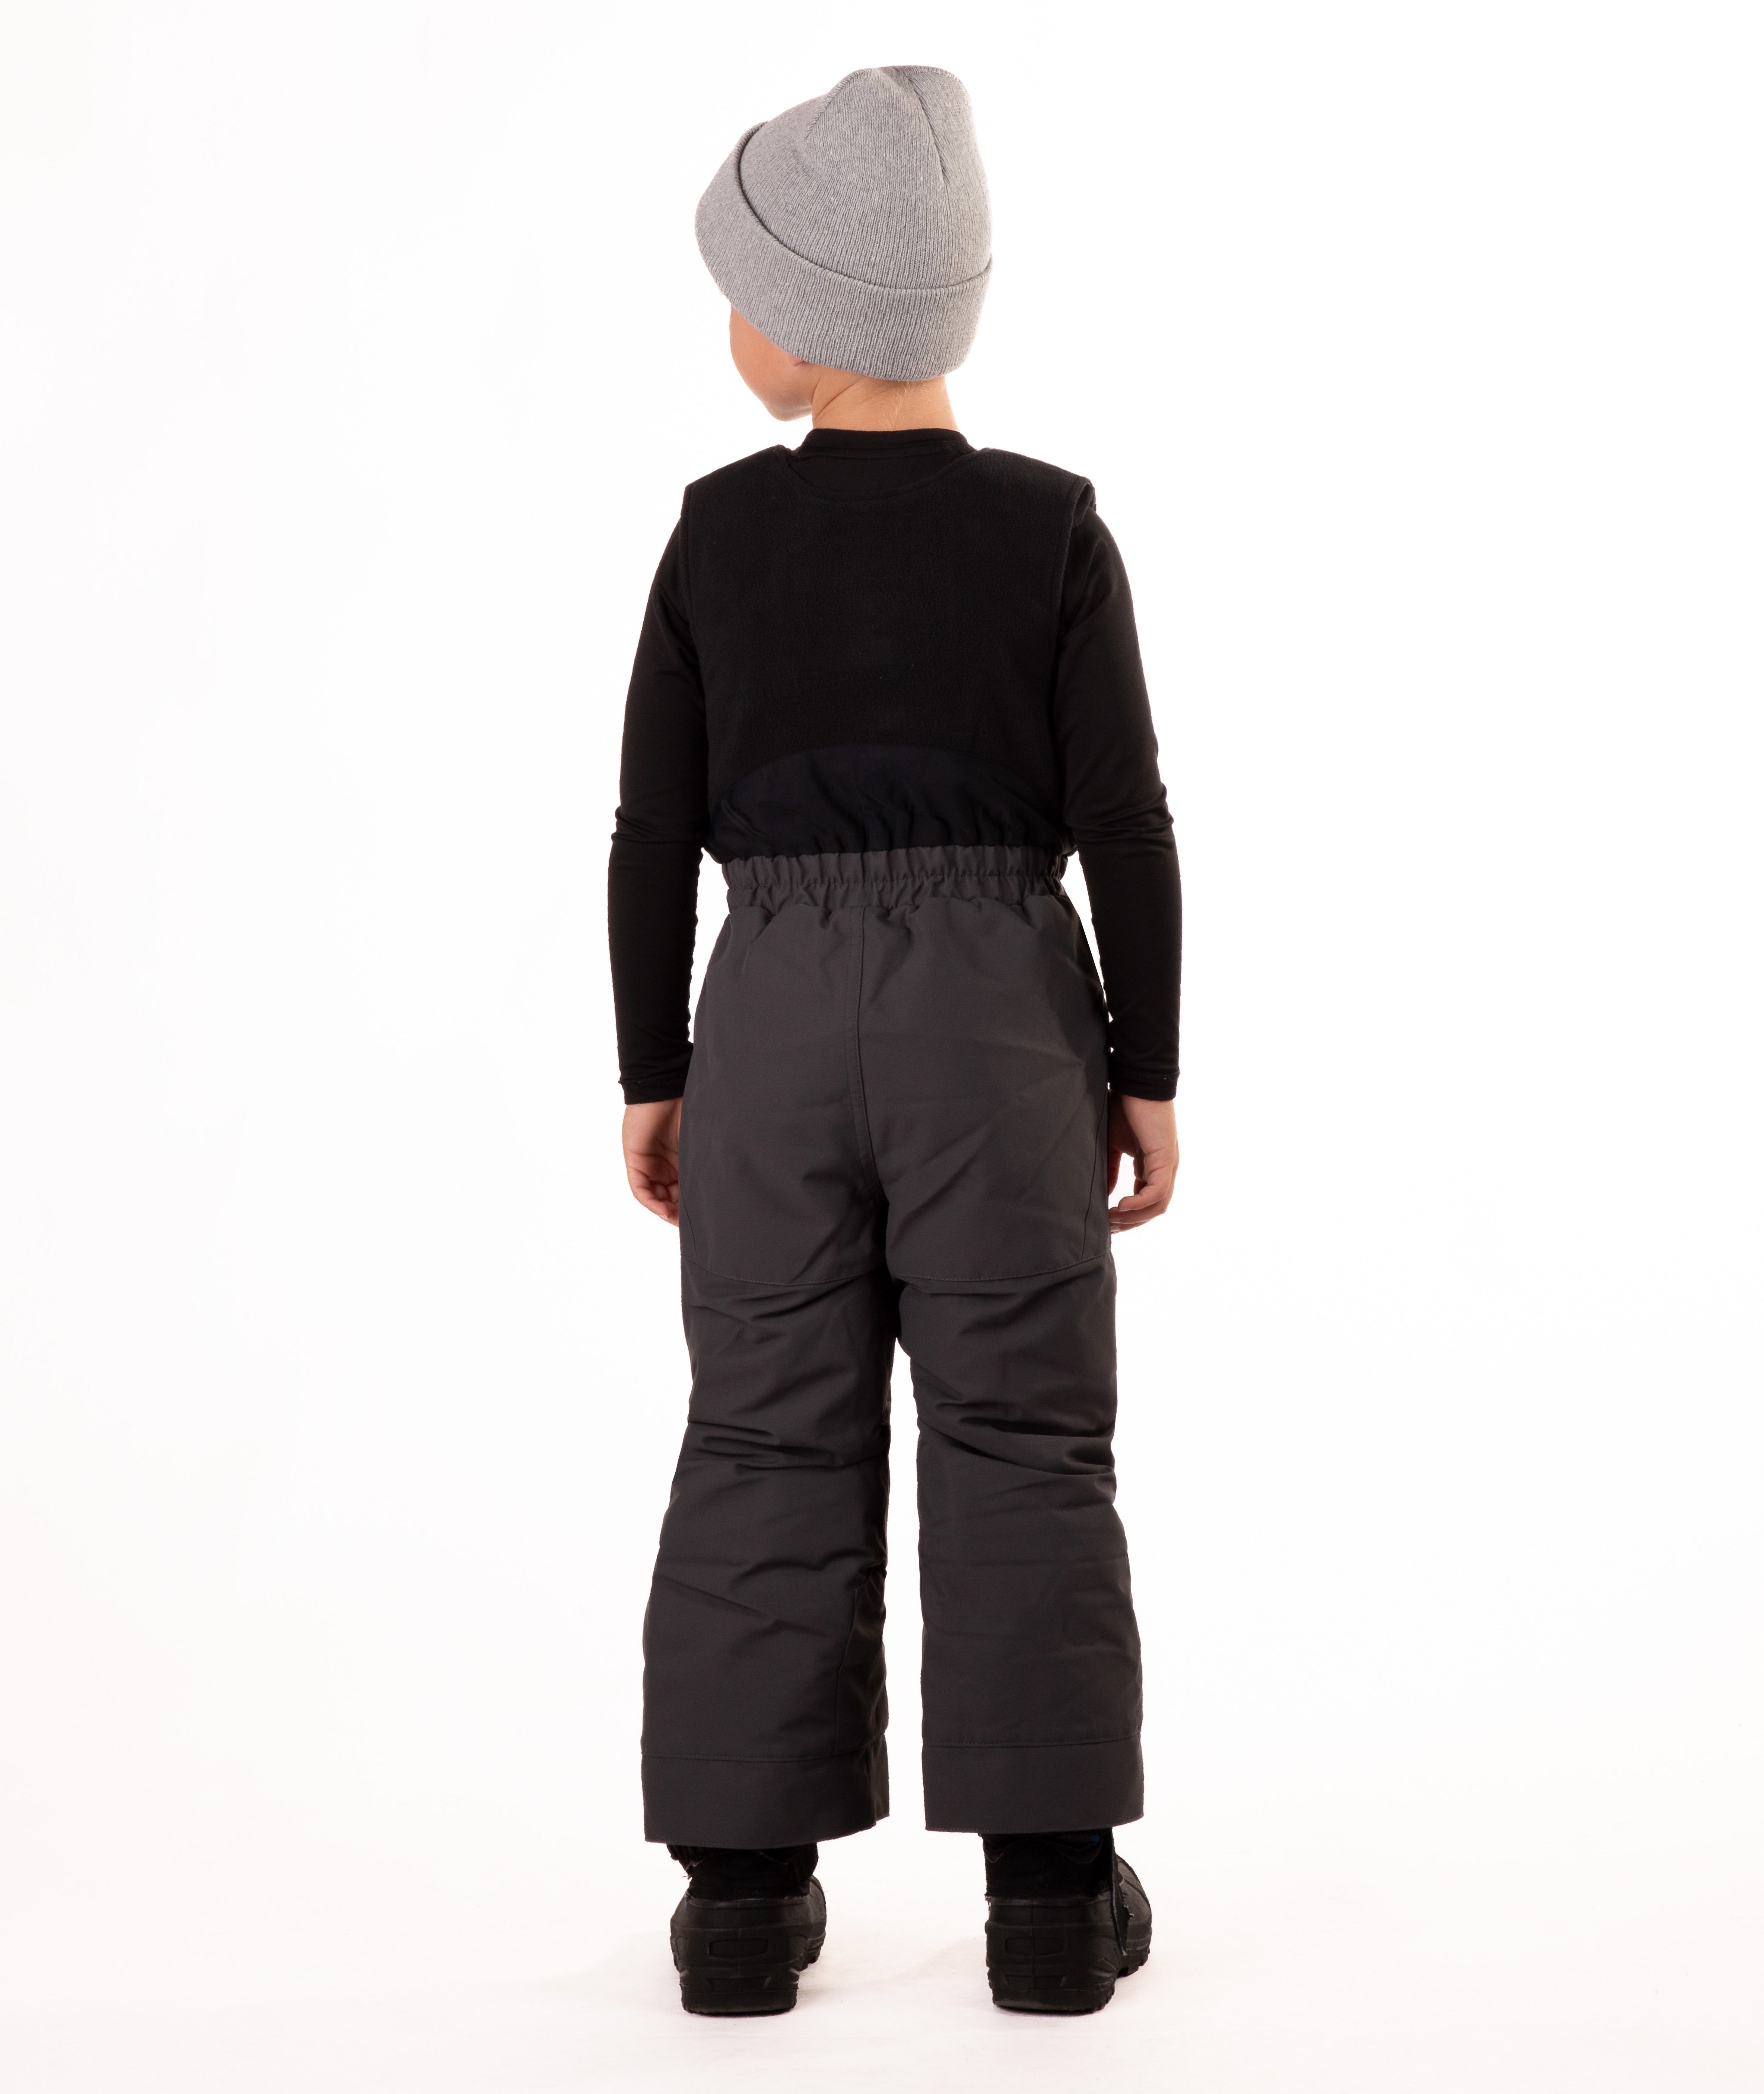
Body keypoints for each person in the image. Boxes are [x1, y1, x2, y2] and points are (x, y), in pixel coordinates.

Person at [609, 65, 1179, 2017]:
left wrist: (652, 1075)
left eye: (739, 288)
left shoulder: (709, 542)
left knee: (765, 1425)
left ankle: (744, 1905)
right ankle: (1048, 1902)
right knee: (1023, 1432)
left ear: (815, 311)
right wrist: (1147, 1066)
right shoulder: (1054, 535)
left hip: (765, 1011)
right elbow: (1128, 824)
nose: (728, 327)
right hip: (1003, 1025)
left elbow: (650, 836)